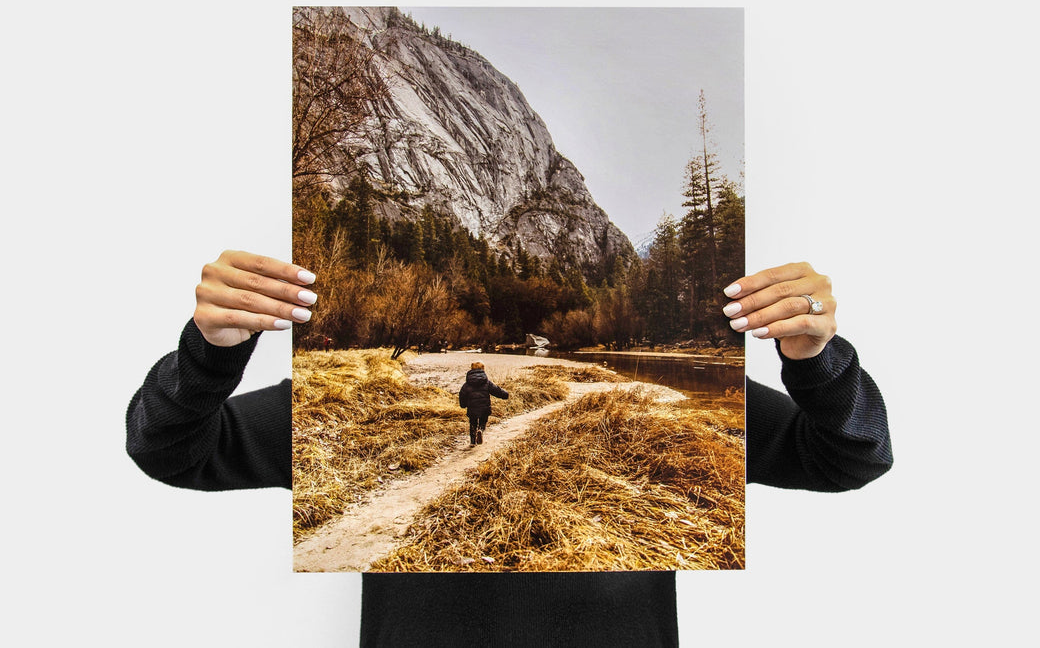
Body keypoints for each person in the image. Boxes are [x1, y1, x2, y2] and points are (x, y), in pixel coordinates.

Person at [126, 250, 892, 646]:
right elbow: (169, 447)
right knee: (474, 436)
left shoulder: (657, 420)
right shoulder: (377, 395)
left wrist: (815, 360)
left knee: (478, 433)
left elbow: (854, 454)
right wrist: (210, 350)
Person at [459, 361, 509, 446]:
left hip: (472, 407)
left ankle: (472, 441)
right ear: (483, 369)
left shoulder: (467, 384)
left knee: (472, 422)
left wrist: (463, 405)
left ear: (471, 369)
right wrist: (505, 395)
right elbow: (496, 390)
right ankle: (481, 430)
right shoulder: (486, 382)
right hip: (484, 407)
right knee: (483, 420)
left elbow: (462, 395)